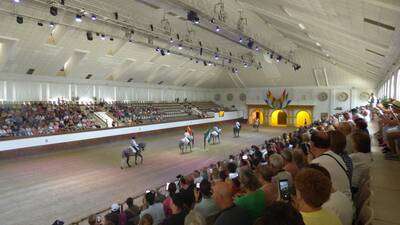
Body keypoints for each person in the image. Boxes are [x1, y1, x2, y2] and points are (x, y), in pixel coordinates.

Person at [309, 131, 351, 199]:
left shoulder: (316, 163)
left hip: (335, 205)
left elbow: (311, 192)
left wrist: (310, 162)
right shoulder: (336, 156)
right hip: (346, 202)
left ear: (312, 144)